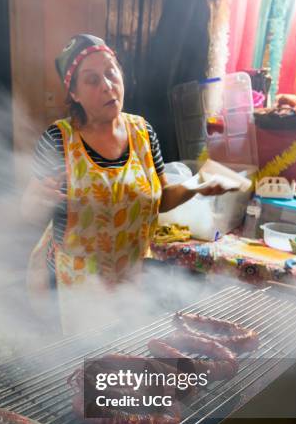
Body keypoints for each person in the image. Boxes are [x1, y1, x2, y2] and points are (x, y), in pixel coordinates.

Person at [21, 34, 235, 329]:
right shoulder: (59, 140)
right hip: (76, 281)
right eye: (92, 80)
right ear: (74, 94)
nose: (107, 86)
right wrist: (36, 201)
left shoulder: (143, 131)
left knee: (120, 356)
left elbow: (161, 198)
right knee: (81, 365)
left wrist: (198, 185)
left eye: (111, 73)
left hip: (129, 275)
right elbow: (29, 211)